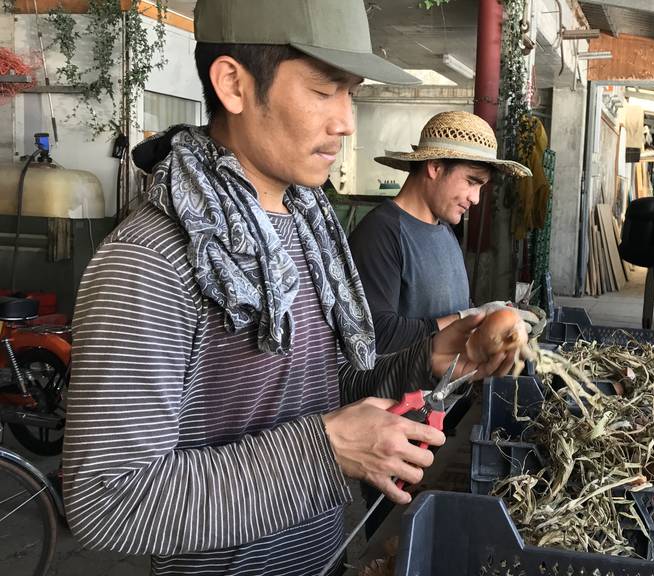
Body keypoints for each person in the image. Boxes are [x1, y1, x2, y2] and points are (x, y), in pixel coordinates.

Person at [62, 1, 515, 575]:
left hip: (327, 554)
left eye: (350, 92)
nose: (347, 120)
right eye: (325, 89)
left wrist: (431, 358)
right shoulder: (150, 261)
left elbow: (327, 394)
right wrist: (324, 452)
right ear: (233, 84)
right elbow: (106, 500)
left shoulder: (307, 228)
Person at [349, 111, 536, 355]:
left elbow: (452, 307)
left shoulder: (446, 231)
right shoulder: (380, 234)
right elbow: (378, 334)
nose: (476, 199)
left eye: (481, 187)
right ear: (435, 167)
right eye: (471, 181)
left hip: (450, 388)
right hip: (401, 393)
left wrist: (487, 320)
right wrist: (465, 318)